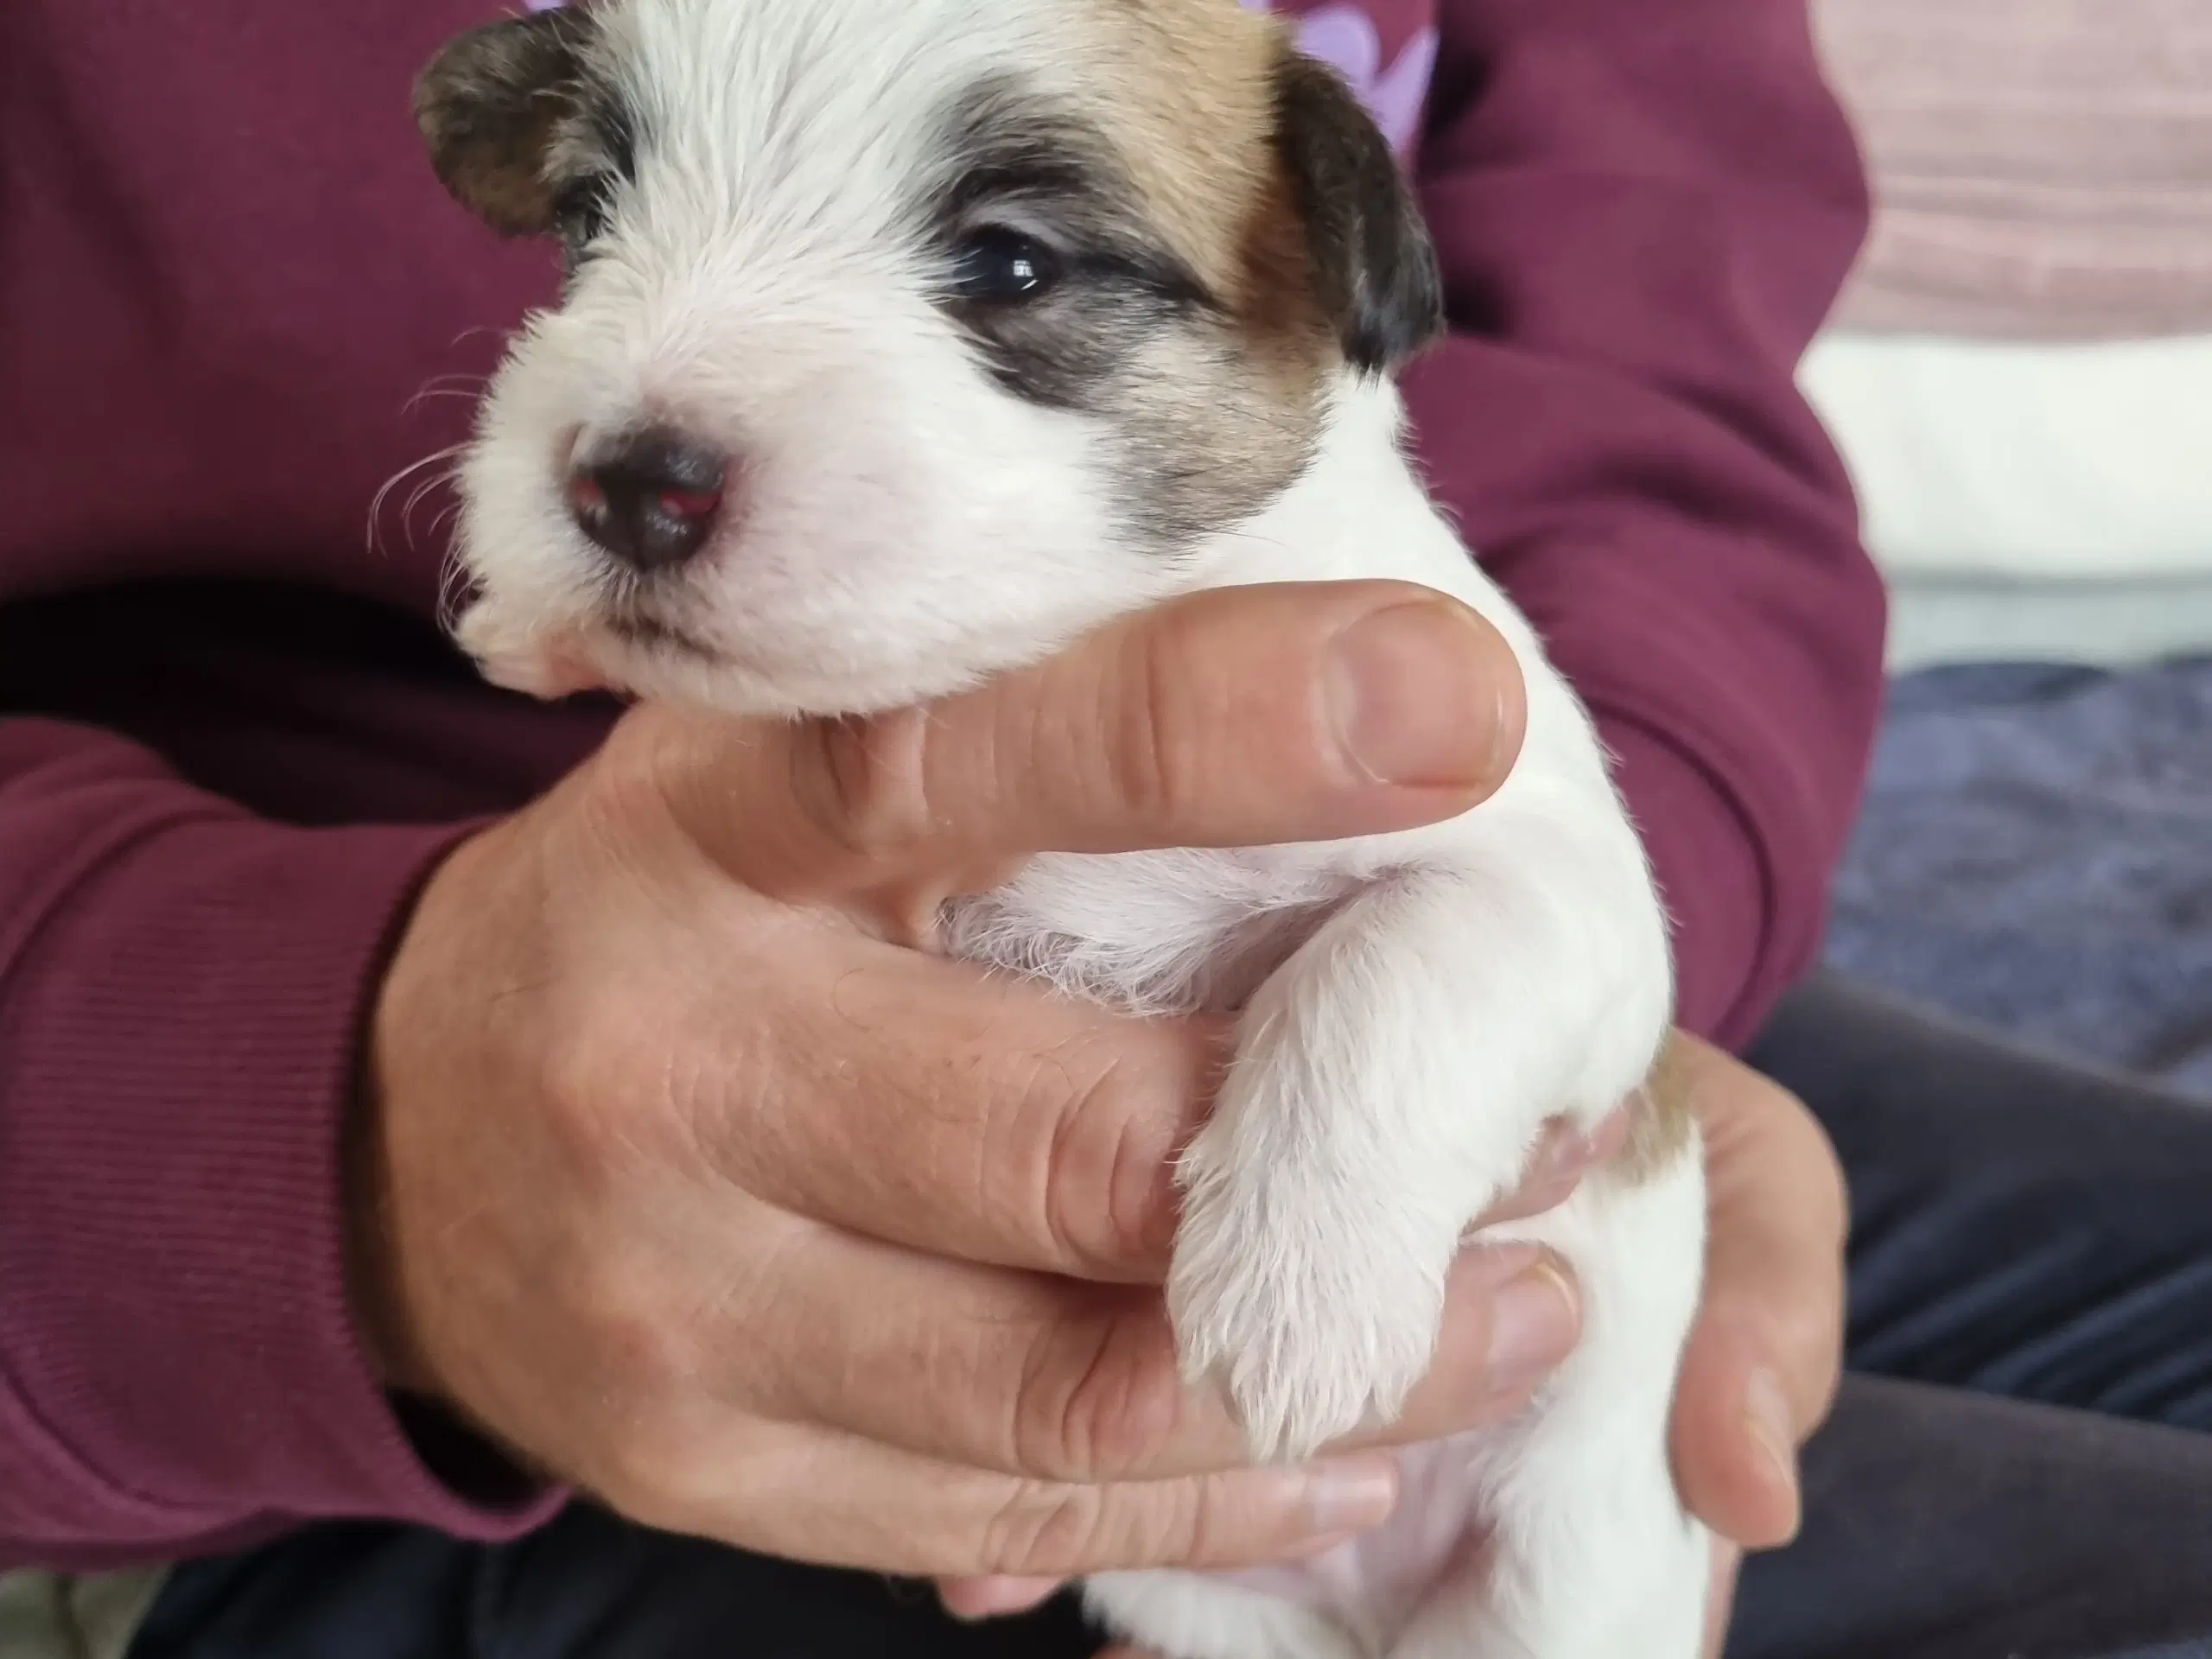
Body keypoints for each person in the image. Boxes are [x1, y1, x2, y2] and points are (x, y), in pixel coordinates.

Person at [3, 3, 2209, 1659]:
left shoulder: (1295, 220)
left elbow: (1650, 318)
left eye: (1001, 265)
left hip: (1503, 1176)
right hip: (410, 1337)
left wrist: (1547, 933)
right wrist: (331, 1126)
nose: (645, 420)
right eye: (602, 216)